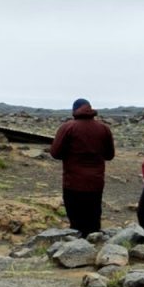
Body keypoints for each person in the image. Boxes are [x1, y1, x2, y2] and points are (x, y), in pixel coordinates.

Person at [49, 97, 116, 237]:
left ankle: (76, 249)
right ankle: (95, 245)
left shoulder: (68, 127)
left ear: (74, 110)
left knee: (76, 221)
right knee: (93, 219)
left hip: (73, 182)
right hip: (95, 182)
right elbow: (110, 155)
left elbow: (55, 153)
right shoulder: (103, 128)